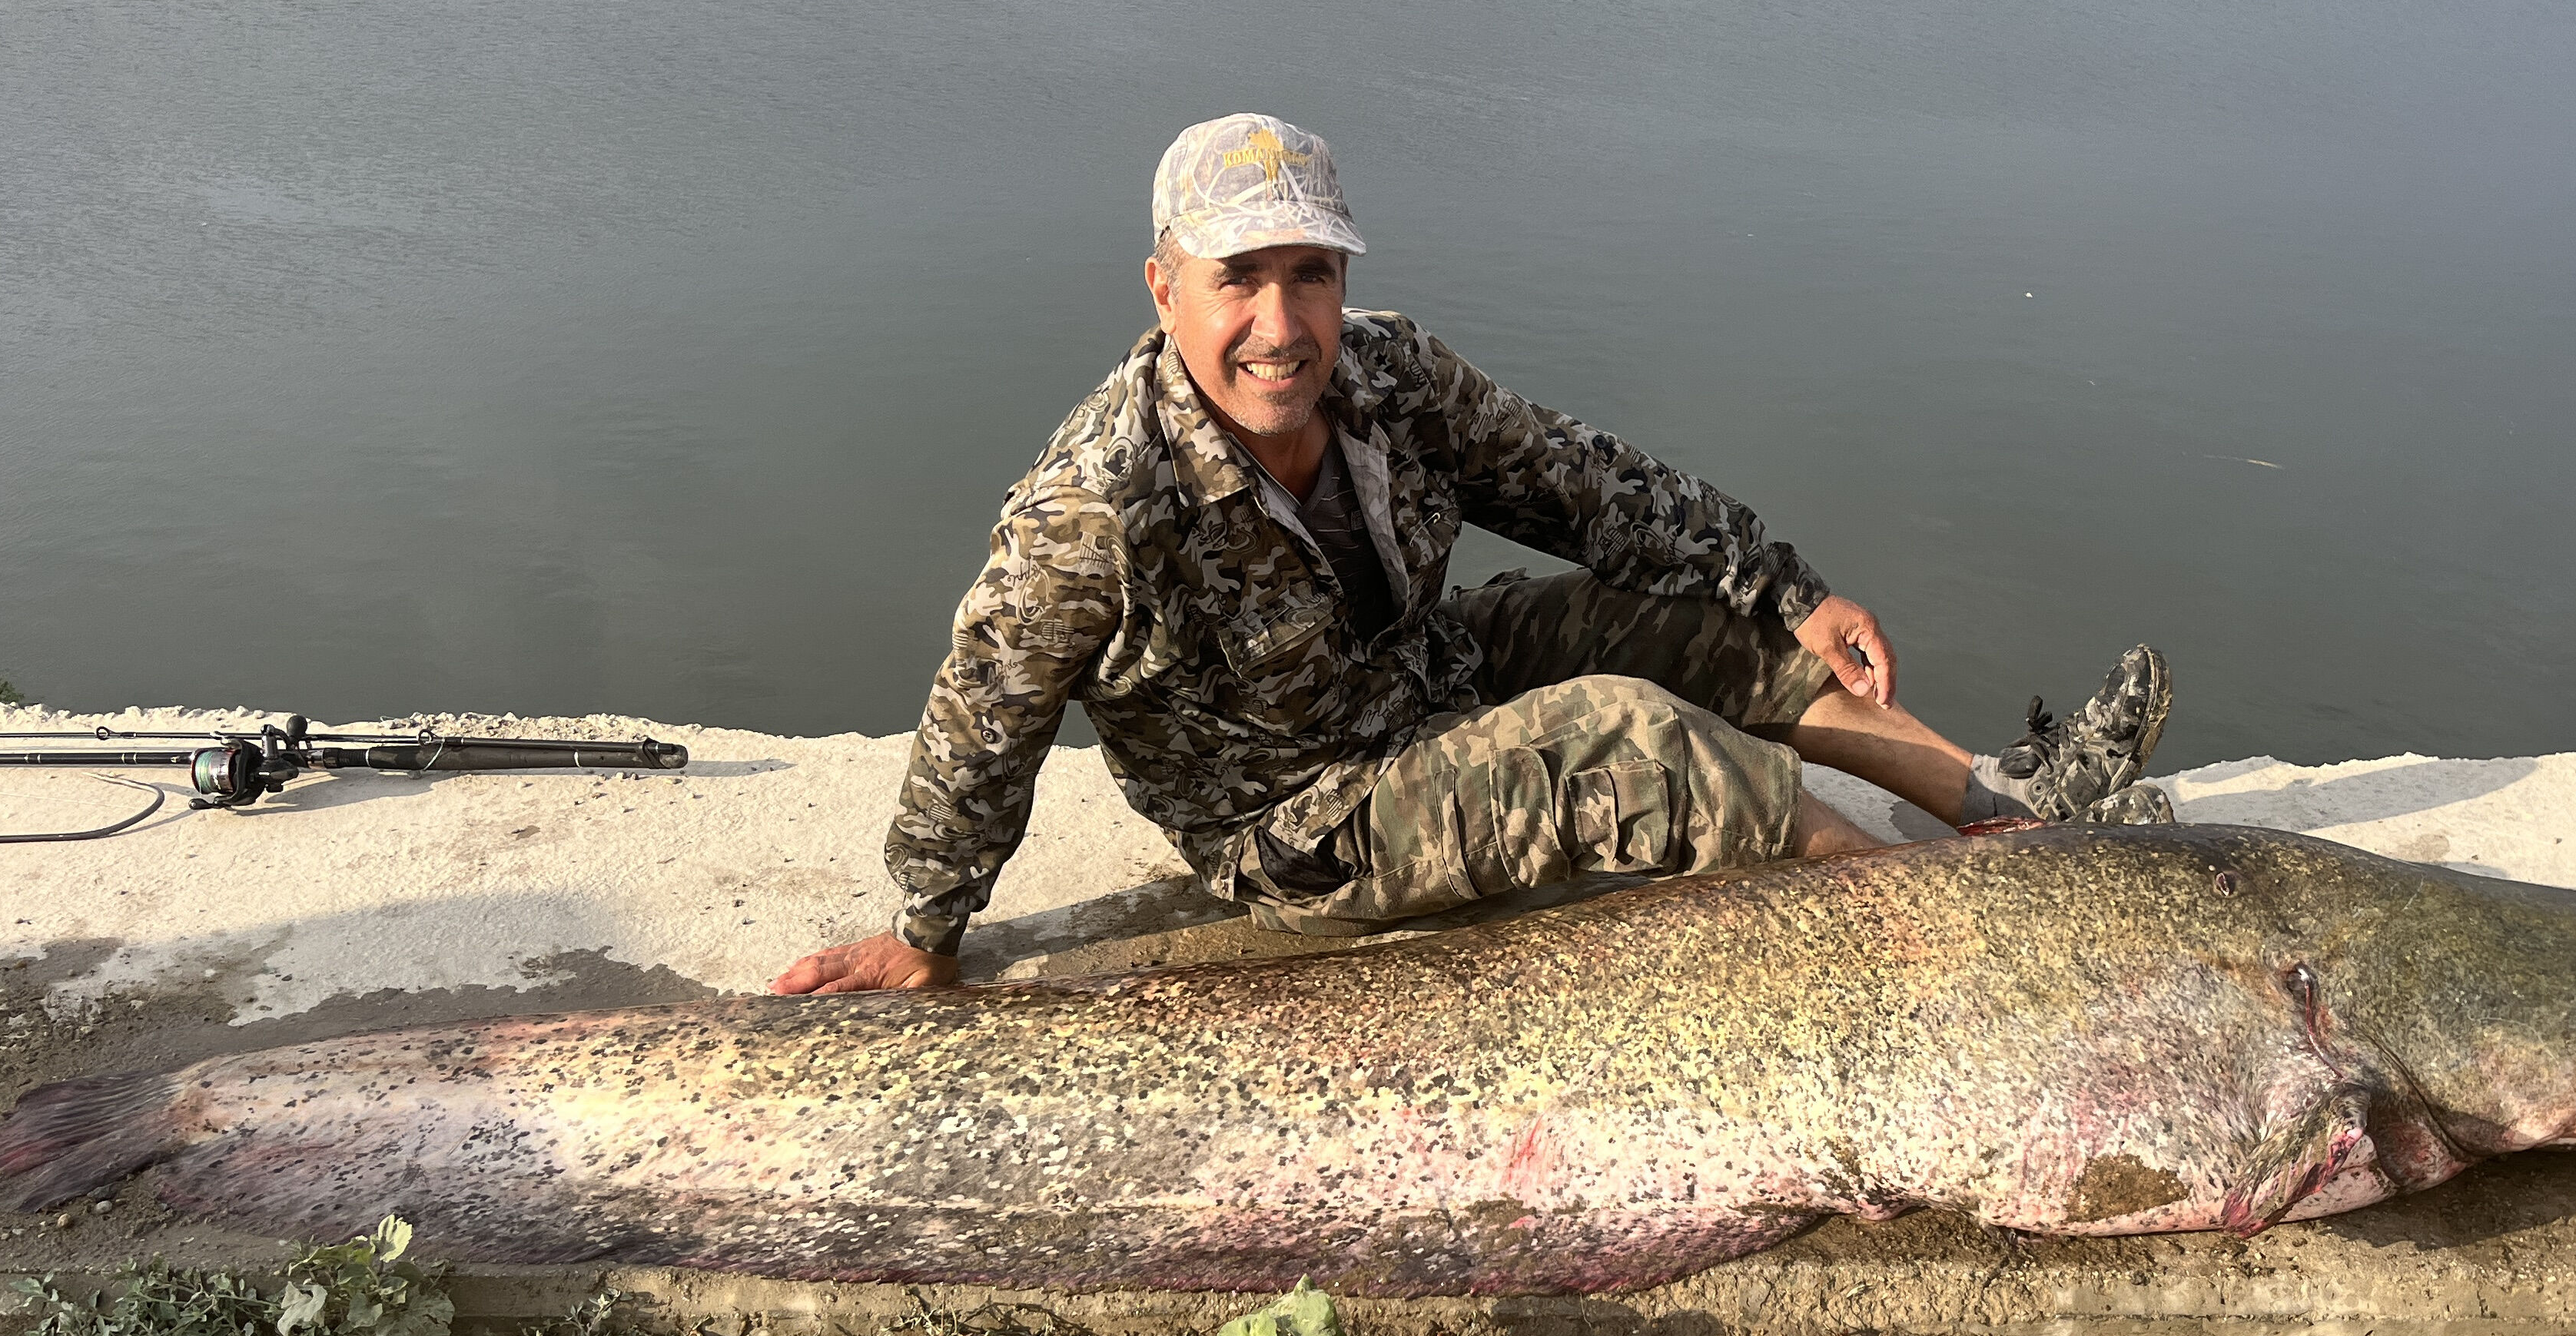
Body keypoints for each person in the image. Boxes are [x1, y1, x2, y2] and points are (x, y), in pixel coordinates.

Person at [775, 114, 2173, 996]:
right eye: (1237, 279)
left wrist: (1785, 586)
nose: (1280, 325)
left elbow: (1583, 484)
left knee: (1692, 631)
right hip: (1307, 829)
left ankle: (1998, 803)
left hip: (1427, 680)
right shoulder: (1097, 498)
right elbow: (986, 707)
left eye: (1307, 274)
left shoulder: (1389, 376)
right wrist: (927, 924)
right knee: (1627, 740)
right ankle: (1955, 917)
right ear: (1165, 290)